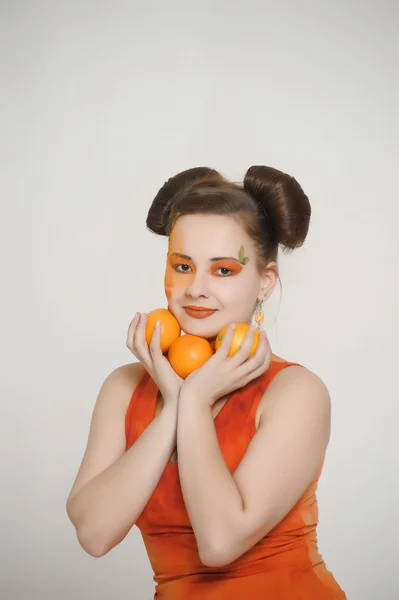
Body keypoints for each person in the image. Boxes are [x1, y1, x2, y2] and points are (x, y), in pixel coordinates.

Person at [66, 166, 347, 599]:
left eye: (223, 271)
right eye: (182, 266)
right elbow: (94, 534)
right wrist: (177, 401)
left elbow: (219, 543)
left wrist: (194, 399)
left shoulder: (296, 394)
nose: (196, 289)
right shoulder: (124, 388)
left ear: (264, 282)